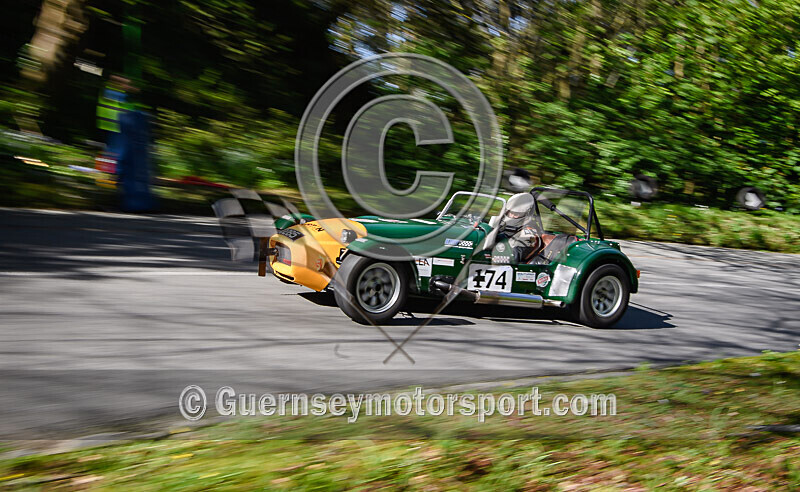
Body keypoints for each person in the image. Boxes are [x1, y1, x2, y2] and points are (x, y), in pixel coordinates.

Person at [497, 193, 541, 263]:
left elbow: (515, 256)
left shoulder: (529, 233)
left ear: (526, 214)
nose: (512, 216)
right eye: (510, 212)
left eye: (516, 214)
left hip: (510, 265)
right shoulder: (501, 224)